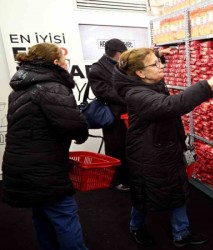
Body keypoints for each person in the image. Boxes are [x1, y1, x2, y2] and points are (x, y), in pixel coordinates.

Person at [112, 47, 213, 247]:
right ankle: (136, 227)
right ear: (140, 73)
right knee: (144, 193)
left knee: (177, 190)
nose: (161, 66)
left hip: (167, 147)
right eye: (155, 64)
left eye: (160, 62)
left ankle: (181, 234)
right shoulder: (135, 93)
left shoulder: (151, 82)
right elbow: (170, 105)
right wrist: (208, 84)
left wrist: (157, 52)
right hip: (146, 154)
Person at [1, 43, 89, 249]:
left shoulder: (20, 88)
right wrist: (82, 133)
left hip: (22, 164)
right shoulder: (52, 87)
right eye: (64, 59)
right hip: (43, 168)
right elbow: (73, 124)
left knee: (42, 214)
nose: (67, 64)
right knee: (64, 215)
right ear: (56, 63)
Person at [87, 38, 130, 192]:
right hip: (113, 116)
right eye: (123, 53)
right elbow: (103, 92)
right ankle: (116, 181)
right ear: (117, 53)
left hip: (127, 114)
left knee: (129, 148)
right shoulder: (97, 69)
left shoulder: (122, 64)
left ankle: (128, 179)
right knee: (115, 148)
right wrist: (129, 96)